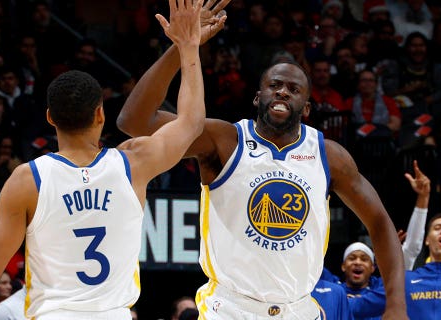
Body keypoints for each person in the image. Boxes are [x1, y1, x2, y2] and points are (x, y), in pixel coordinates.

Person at [116, 5, 406, 320]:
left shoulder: (328, 155)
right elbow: (135, 120)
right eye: (275, 85)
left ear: (306, 107)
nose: (282, 92)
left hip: (299, 310)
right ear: (258, 97)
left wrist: (396, 306)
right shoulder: (225, 140)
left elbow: (379, 222)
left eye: (293, 90)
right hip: (229, 309)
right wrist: (183, 44)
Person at [0, 1, 206, 319]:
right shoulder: (134, 163)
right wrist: (188, 47)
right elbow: (190, 122)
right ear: (100, 114)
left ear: (50, 118)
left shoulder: (28, 179)